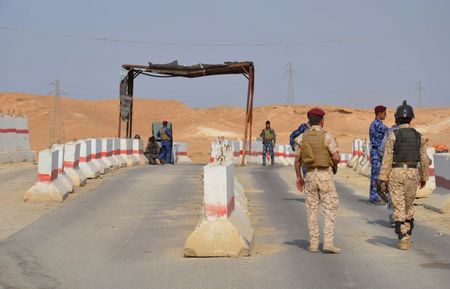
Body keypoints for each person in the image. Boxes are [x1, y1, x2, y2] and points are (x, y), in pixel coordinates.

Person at [379, 101, 429, 250]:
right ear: (411, 118)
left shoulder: (393, 135)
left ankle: (403, 237)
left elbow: (387, 158)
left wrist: (383, 178)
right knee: (408, 205)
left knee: (398, 205)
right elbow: (424, 159)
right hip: (413, 173)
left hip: (396, 172)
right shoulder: (419, 136)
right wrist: (424, 177)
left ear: (397, 119)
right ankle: (407, 232)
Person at [294, 108, 341, 254]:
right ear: (322, 121)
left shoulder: (301, 138)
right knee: (330, 208)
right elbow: (336, 157)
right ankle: (328, 243)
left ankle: (313, 244)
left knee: (312, 209)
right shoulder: (327, 136)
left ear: (309, 121)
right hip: (324, 175)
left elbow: (297, 161)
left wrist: (299, 178)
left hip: (309, 176)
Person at [368, 105, 389, 205]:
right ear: (379, 113)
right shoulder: (377, 124)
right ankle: (374, 197)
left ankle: (375, 195)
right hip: (377, 152)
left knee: (376, 175)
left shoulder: (375, 124)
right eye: (384, 113)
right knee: (376, 175)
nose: (386, 115)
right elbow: (389, 131)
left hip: (377, 152)